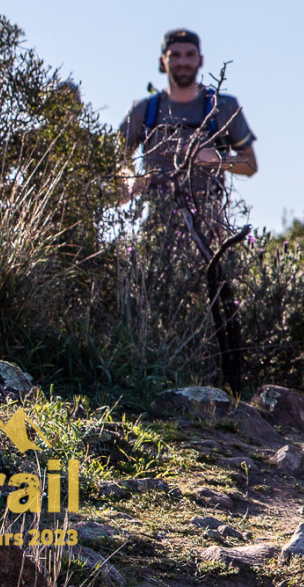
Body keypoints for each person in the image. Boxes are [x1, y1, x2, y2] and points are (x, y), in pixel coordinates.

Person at [121, 28, 259, 391]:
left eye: (189, 55)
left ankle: (221, 387)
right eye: (175, 55)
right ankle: (156, 382)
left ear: (201, 61)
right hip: (157, 228)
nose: (182, 62)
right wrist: (132, 181)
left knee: (214, 307)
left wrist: (217, 160)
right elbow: (114, 162)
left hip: (210, 227)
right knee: (156, 304)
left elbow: (250, 164)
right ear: (163, 61)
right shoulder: (145, 110)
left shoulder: (222, 106)